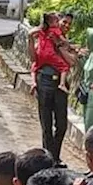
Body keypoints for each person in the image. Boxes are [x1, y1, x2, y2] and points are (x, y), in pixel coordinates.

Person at [32, 12, 71, 165]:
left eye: (69, 24)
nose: (65, 25)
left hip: (60, 86)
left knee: (61, 124)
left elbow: (72, 62)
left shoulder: (62, 40)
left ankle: (54, 156)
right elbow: (34, 60)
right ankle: (48, 158)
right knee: (46, 123)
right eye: (63, 22)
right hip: (45, 81)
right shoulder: (43, 36)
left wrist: (60, 46)